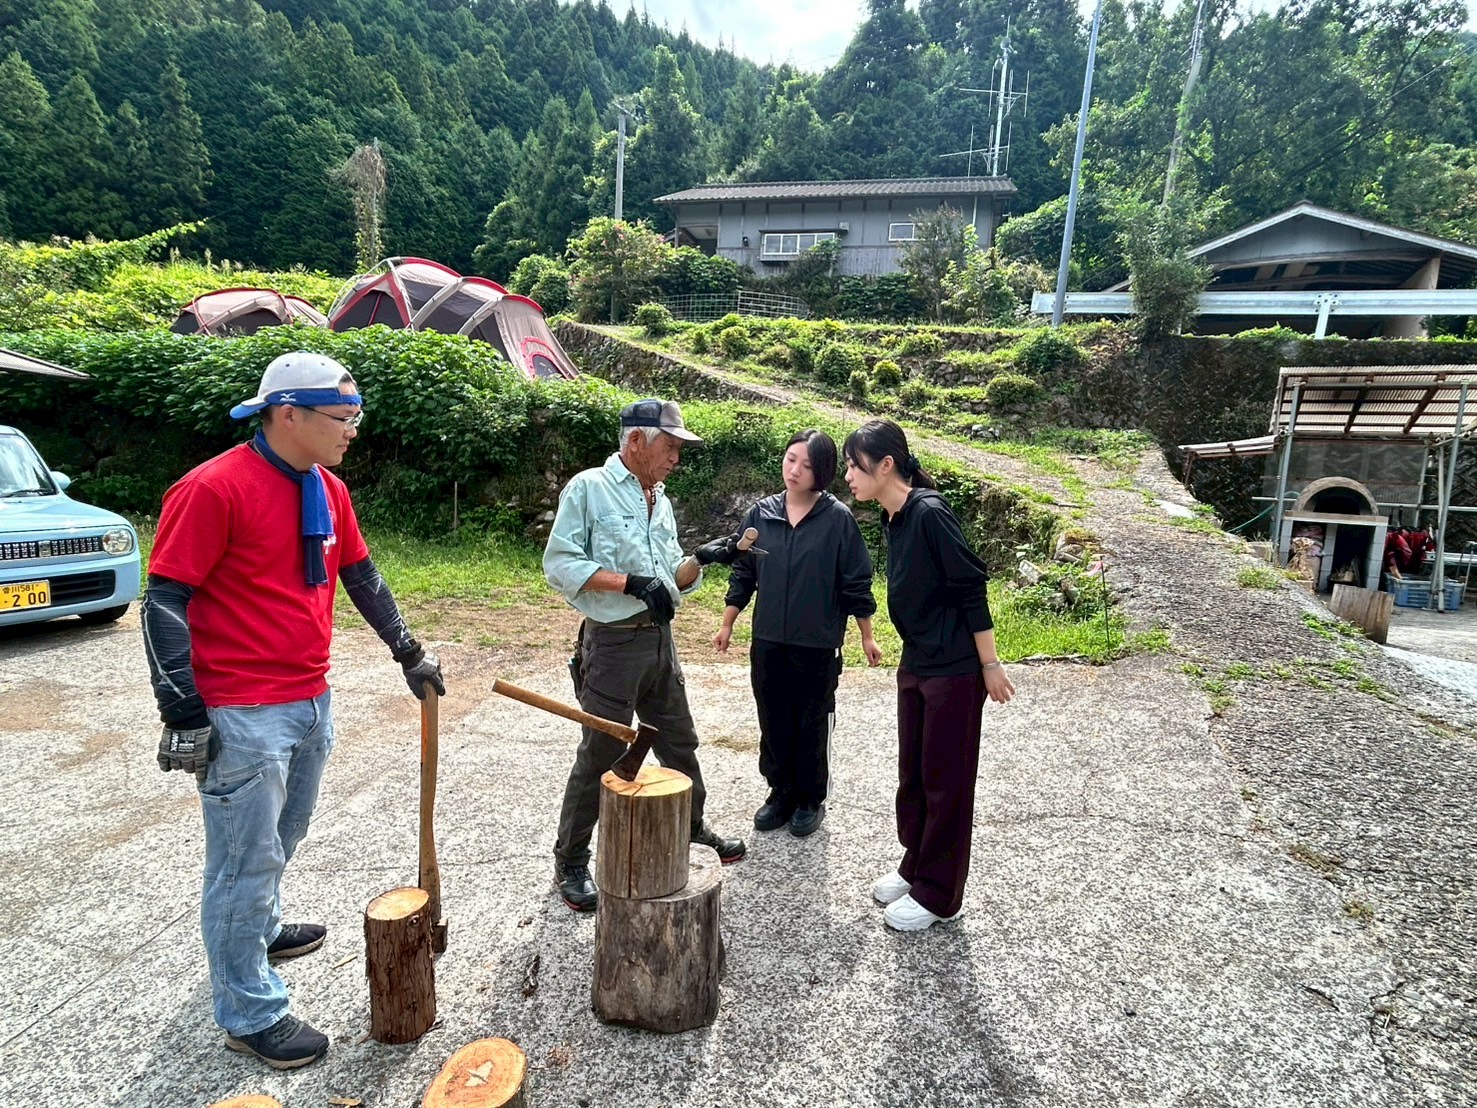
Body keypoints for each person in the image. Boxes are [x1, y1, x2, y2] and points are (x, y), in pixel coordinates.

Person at [141, 352, 444, 1069]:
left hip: (310, 696)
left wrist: (408, 652)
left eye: (353, 418)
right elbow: (163, 600)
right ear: (288, 415)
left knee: (284, 834)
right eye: (342, 419)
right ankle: (248, 1012)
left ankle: (260, 928)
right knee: (243, 862)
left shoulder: (327, 489)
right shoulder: (213, 488)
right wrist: (181, 708)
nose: (353, 431)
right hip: (242, 710)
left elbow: (360, 574)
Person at [543, 398, 747, 912]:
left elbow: (670, 579)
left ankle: (692, 829)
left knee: (680, 741)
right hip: (612, 644)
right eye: (671, 446)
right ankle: (570, 860)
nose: (677, 458)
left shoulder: (661, 497)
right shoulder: (588, 488)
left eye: (680, 448)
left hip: (660, 640)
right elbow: (561, 564)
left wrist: (701, 558)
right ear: (637, 440)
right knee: (601, 752)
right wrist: (629, 582)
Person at [842, 418, 1015, 933]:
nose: (848, 474)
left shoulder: (930, 513)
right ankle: (916, 865)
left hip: (955, 670)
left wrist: (989, 664)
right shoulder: (894, 518)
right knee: (914, 774)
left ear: (886, 464)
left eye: (855, 464)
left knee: (947, 779)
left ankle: (941, 894)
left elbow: (970, 588)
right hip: (917, 661)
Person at [714, 429, 881, 837]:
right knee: (772, 717)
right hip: (769, 639)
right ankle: (779, 792)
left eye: (806, 465)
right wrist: (728, 621)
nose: (795, 470)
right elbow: (744, 572)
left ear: (821, 471)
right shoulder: (761, 514)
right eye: (791, 459)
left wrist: (866, 634)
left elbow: (855, 581)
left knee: (811, 720)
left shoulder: (837, 519)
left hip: (817, 643)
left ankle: (810, 798)